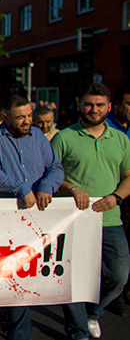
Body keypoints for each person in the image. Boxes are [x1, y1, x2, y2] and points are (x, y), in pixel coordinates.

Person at [0, 94, 65, 340]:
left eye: (29, 115)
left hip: (38, 218)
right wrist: (22, 188)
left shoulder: (38, 136)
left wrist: (46, 187)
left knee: (28, 276)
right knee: (15, 278)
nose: (28, 121)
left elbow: (55, 167)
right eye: (21, 118)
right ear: (5, 117)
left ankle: (9, 317)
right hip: (7, 219)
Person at [51, 83, 130, 339]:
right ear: (79, 105)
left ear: (109, 106)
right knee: (72, 279)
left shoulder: (120, 139)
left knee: (118, 276)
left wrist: (117, 197)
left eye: (99, 105)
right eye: (88, 104)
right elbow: (51, 175)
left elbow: (129, 175)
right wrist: (72, 188)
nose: (93, 109)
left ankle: (92, 313)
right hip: (73, 220)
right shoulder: (64, 137)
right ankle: (78, 330)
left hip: (110, 219)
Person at [105, 87, 130, 315]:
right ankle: (114, 297)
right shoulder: (108, 130)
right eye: (129, 103)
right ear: (117, 105)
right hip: (109, 202)